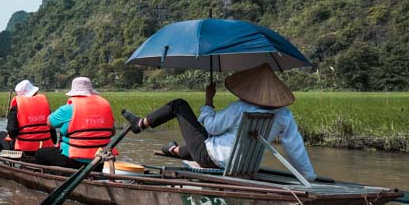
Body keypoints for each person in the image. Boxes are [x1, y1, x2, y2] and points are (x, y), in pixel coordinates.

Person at [121, 63, 317, 181]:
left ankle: (140, 124)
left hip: (211, 158)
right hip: (243, 165)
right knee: (205, 143)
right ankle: (172, 150)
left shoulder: (240, 107)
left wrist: (208, 102)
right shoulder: (284, 115)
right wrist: (308, 176)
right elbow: (295, 146)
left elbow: (212, 128)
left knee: (179, 105)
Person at [32, 77, 118, 168]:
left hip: (73, 159)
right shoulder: (104, 107)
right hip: (100, 159)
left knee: (39, 153)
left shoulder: (67, 109)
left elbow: (49, 123)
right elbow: (112, 132)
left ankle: (49, 178)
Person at [0, 80, 57, 155]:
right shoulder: (44, 106)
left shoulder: (16, 108)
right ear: (35, 92)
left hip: (24, 150)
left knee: (1, 135)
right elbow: (53, 135)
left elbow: (12, 132)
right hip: (45, 148)